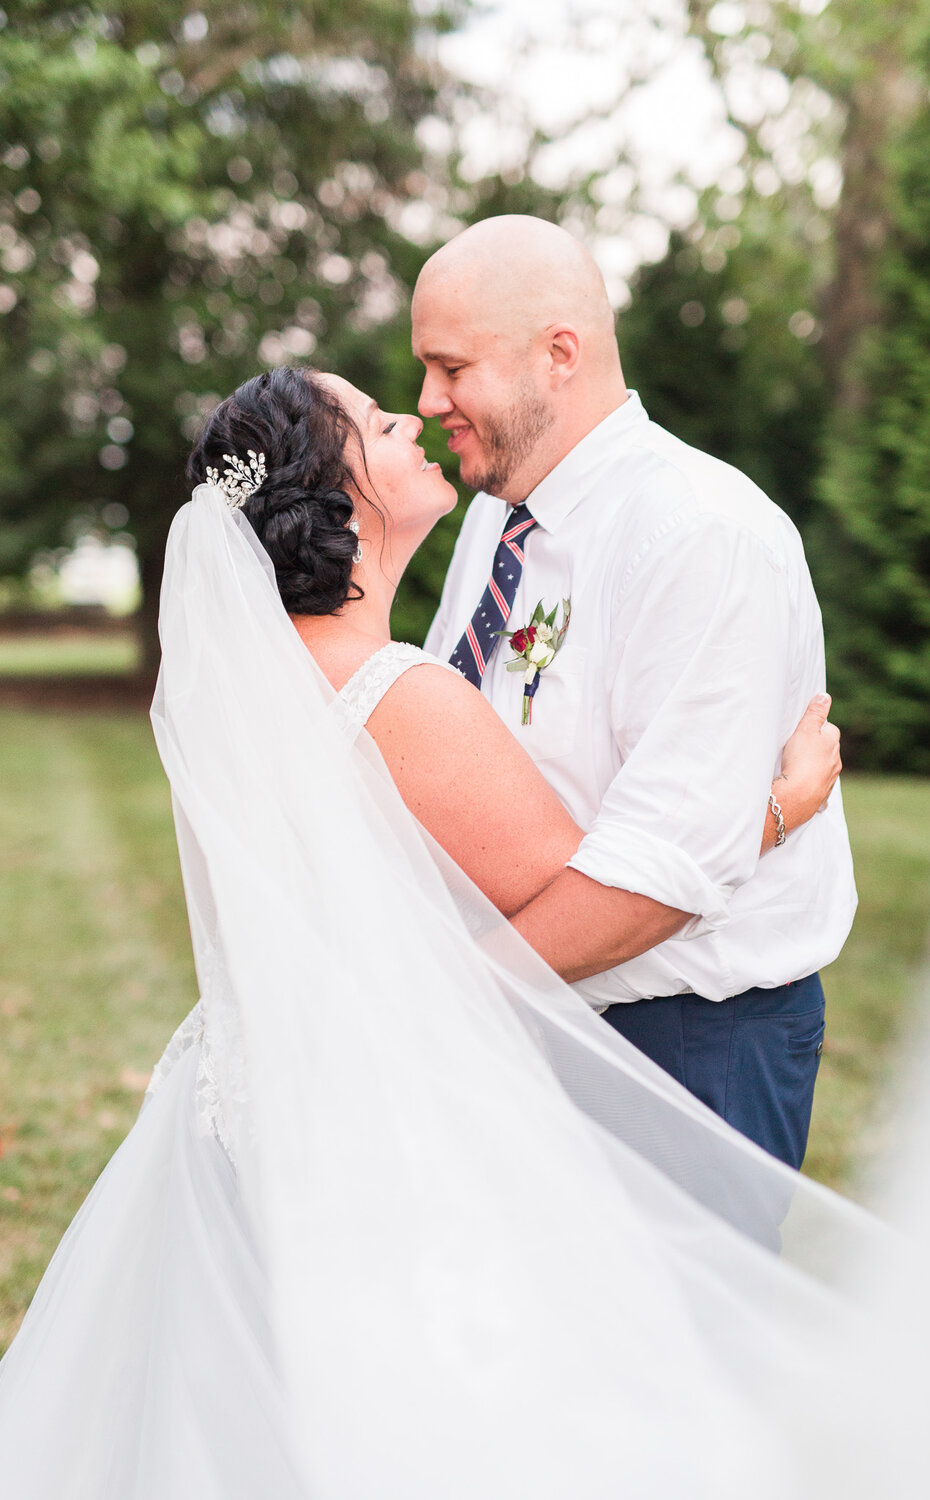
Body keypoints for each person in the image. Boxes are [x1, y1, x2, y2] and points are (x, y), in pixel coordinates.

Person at [0, 365, 865, 1499]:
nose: (412, 414)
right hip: (378, 1111)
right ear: (335, 490)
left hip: (248, 1092)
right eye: (373, 418)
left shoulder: (250, 686)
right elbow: (584, 890)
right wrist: (775, 807)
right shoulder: (394, 691)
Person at [416, 214, 857, 1169]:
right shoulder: (498, 523)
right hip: (529, 1011)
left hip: (687, 1045)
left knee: (679, 1324)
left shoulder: (700, 535)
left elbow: (660, 873)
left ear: (558, 355)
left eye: (451, 368)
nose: (426, 401)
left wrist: (445, 993)